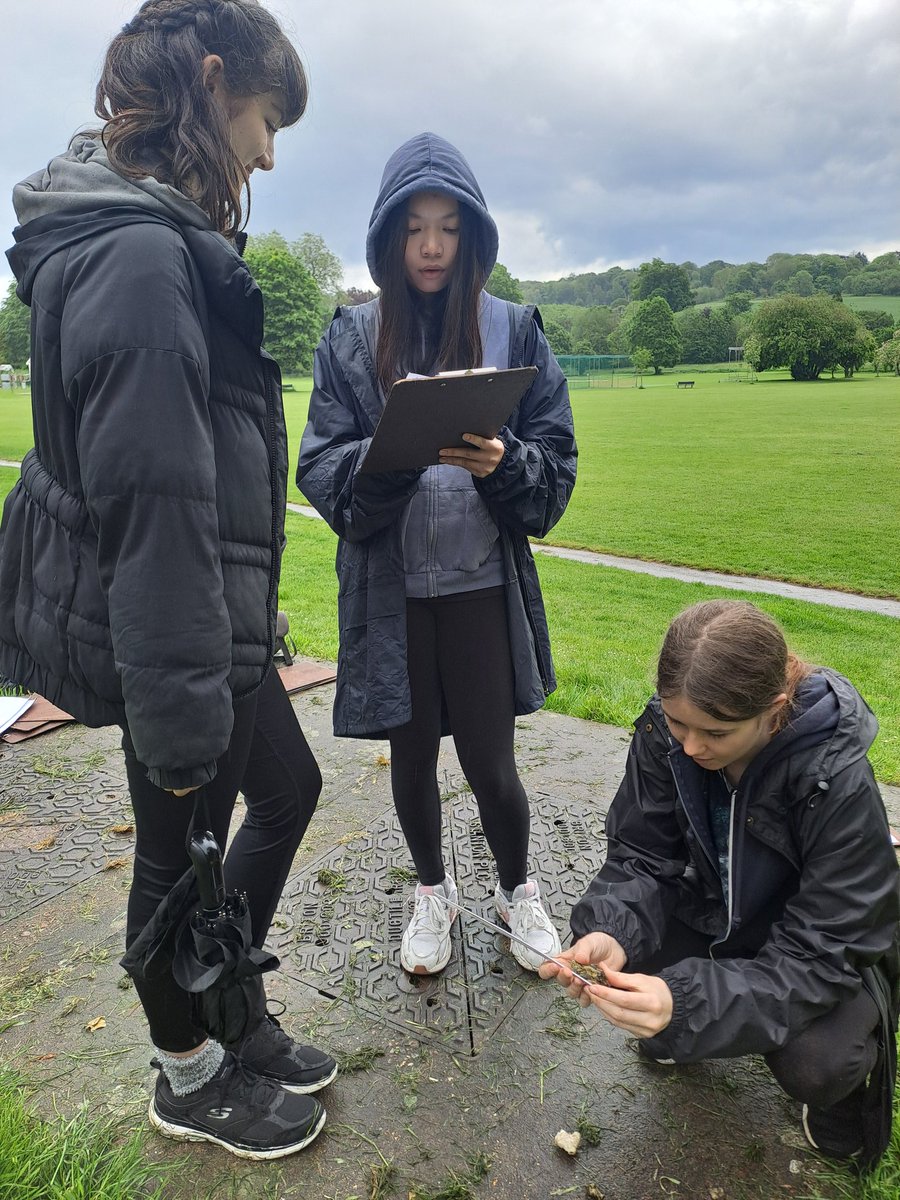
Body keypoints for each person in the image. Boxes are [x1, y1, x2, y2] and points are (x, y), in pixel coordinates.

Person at [0, 0, 335, 1160]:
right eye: (266, 119)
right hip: (174, 636)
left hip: (214, 619)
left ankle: (230, 1013)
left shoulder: (153, 234)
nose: (268, 154)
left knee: (286, 793)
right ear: (212, 81)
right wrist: (185, 721)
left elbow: (201, 472)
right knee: (176, 858)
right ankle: (186, 1072)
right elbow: (152, 505)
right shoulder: (137, 255)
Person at [298, 132, 577, 976]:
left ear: (472, 236)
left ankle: (517, 890)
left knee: (493, 763)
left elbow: (556, 467)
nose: (430, 246)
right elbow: (319, 464)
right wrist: (389, 456)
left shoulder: (513, 329)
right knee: (412, 757)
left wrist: (507, 463)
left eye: (448, 229)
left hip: (481, 585)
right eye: (415, 228)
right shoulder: (351, 337)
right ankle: (433, 891)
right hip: (392, 593)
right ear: (389, 236)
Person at [540, 599, 900, 1167]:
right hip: (713, 909)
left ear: (773, 710)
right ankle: (685, 1023)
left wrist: (686, 1004)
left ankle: (843, 1088)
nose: (690, 747)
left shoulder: (834, 778)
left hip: (810, 945)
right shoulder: (664, 736)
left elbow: (823, 951)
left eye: (716, 732)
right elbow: (640, 854)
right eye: (677, 722)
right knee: (625, 959)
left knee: (819, 1061)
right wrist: (610, 930)